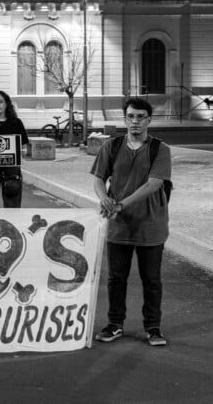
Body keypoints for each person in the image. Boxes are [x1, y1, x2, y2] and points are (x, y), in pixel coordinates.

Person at [91, 97, 171, 347]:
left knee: (151, 279)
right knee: (116, 278)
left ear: (149, 120)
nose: (135, 121)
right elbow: (98, 179)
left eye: (140, 117)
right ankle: (115, 324)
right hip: (118, 226)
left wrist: (121, 203)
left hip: (150, 224)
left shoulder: (160, 149)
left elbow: (154, 184)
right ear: (125, 118)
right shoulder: (111, 147)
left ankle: (153, 327)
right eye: (130, 116)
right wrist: (104, 199)